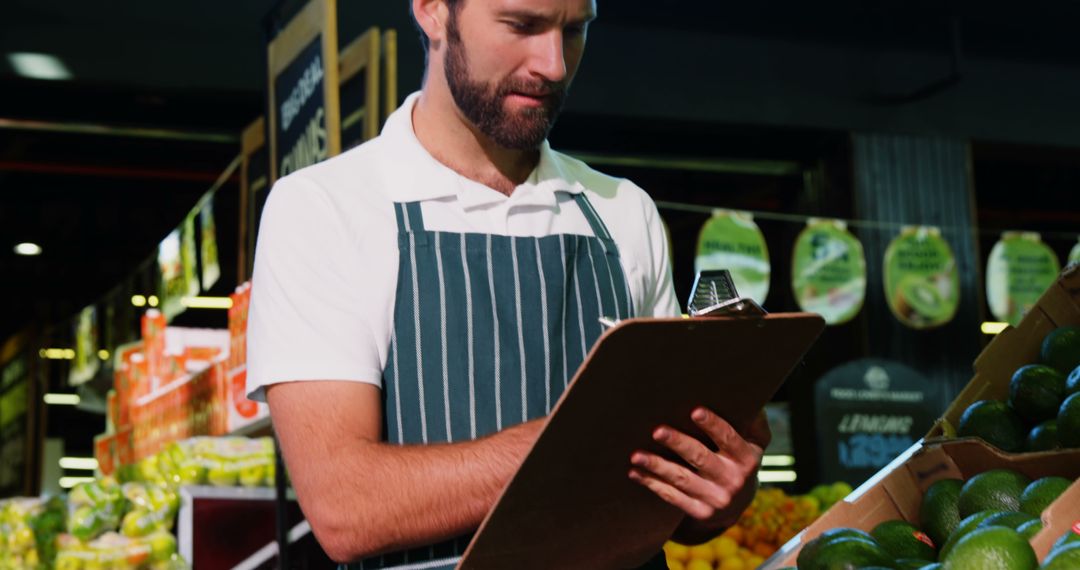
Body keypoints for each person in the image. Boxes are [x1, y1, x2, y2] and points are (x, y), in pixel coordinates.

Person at [247, 0, 770, 568]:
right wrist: (588, 438)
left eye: (574, 31)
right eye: (521, 25)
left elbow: (673, 507)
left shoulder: (623, 212)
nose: (553, 65)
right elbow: (347, 508)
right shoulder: (326, 209)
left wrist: (720, 494)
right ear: (431, 11)